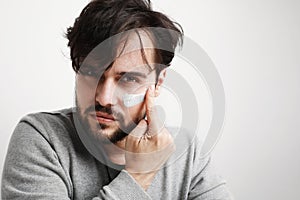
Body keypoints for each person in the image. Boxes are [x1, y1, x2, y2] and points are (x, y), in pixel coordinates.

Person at [1, 0, 232, 199]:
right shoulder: (43, 139)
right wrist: (139, 175)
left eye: (129, 79)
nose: (104, 98)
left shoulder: (186, 151)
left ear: (158, 83)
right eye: (91, 73)